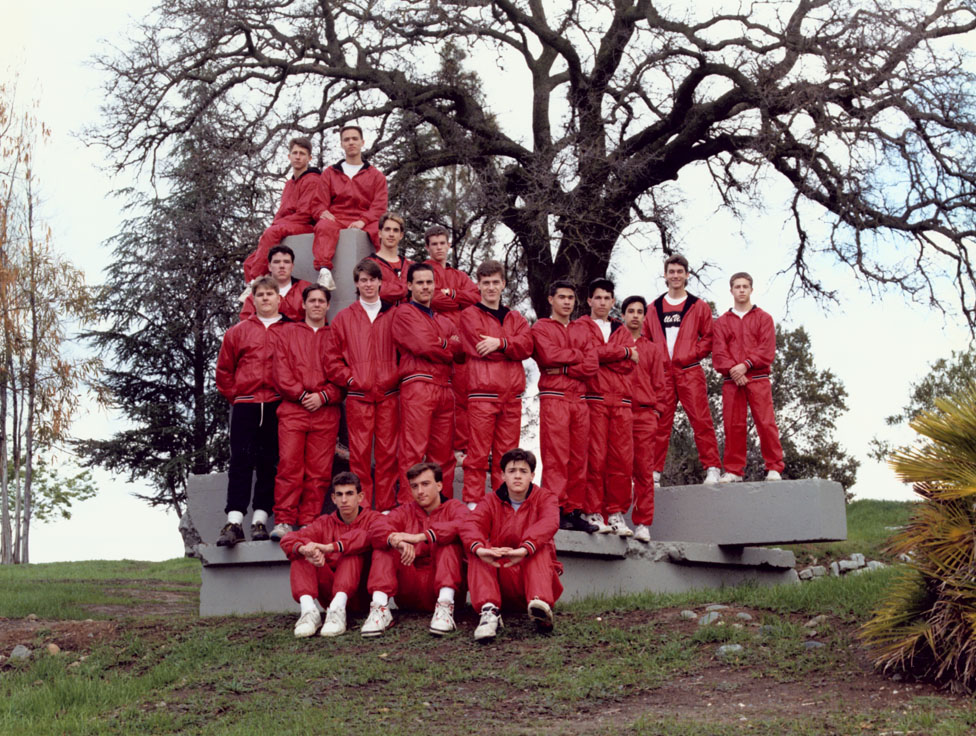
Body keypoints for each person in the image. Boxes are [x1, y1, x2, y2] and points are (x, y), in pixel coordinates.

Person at [280, 472, 401, 638]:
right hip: (330, 593)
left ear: (360, 497)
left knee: (351, 552)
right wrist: (305, 550)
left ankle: (339, 608)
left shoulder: (374, 518)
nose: (344, 500)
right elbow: (288, 538)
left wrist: (331, 547)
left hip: (361, 593)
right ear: (333, 498)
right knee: (302, 551)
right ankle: (309, 612)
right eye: (339, 494)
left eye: (349, 494)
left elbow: (371, 536)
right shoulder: (324, 522)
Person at [214, 276, 288, 546]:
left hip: (277, 404)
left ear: (279, 298)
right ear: (252, 299)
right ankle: (234, 521)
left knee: (270, 463)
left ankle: (260, 520)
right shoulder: (238, 332)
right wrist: (237, 396)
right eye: (260, 295)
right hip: (246, 404)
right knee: (241, 463)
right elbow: (224, 371)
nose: (265, 298)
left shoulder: (290, 330)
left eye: (270, 294)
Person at [460, 449, 563, 642]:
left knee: (539, 546)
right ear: (502, 475)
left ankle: (540, 607)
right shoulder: (490, 500)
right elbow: (471, 525)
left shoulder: (546, 498)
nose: (517, 475)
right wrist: (482, 549)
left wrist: (524, 549)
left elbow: (549, 522)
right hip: (501, 574)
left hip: (533, 576)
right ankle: (489, 611)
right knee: (477, 548)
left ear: (532, 476)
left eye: (523, 471)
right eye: (512, 470)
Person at [269, 284, 345, 540]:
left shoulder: (336, 335)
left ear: (327, 305)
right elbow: (280, 372)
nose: (316, 305)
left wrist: (324, 396)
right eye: (311, 300)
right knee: (290, 466)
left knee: (319, 471)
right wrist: (302, 395)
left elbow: (343, 374)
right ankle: (284, 520)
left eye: (321, 301)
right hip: (293, 410)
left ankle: (309, 522)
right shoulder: (288, 333)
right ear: (303, 305)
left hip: (325, 412)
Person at [459, 260, 533, 509]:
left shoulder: (515, 317)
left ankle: (504, 503)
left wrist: (500, 344)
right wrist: (511, 347)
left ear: (503, 283)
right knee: (478, 453)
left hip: (512, 396)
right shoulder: (470, 314)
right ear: (478, 285)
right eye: (486, 283)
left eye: (495, 282)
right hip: (482, 393)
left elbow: (528, 346)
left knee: (508, 456)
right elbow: (481, 348)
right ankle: (473, 502)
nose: (491, 287)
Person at [327, 259, 400, 511]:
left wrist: (396, 375)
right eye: (363, 280)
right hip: (359, 395)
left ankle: (387, 507)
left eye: (372, 279)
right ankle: (364, 510)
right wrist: (350, 379)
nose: (368, 284)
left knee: (388, 455)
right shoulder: (344, 318)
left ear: (380, 281)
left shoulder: (394, 314)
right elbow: (331, 358)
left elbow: (407, 350)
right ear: (356, 284)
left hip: (389, 393)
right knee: (358, 455)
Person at [644, 254, 722, 485]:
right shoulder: (653, 307)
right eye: (671, 271)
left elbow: (708, 337)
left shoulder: (698, 306)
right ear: (665, 275)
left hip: (689, 371)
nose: (675, 275)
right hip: (663, 374)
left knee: (701, 420)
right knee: (658, 423)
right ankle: (653, 472)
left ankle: (713, 468)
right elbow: (646, 340)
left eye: (680, 271)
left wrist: (689, 355)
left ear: (687, 275)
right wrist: (656, 362)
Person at [531, 280, 598, 533]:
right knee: (557, 456)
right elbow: (547, 356)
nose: (567, 302)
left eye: (571, 297)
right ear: (551, 299)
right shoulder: (541, 327)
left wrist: (564, 365)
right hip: (554, 396)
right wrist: (576, 359)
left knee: (579, 456)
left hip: (579, 399)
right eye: (562, 297)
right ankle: (554, 510)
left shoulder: (582, 330)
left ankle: (574, 510)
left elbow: (591, 365)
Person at [393, 263, 464, 501]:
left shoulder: (443, 319)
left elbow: (459, 349)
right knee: (414, 451)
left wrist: (441, 343)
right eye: (420, 282)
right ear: (410, 285)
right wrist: (445, 344)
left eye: (429, 282)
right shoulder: (404, 313)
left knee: (443, 455)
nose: (425, 287)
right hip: (418, 384)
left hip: (445, 386)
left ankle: (443, 507)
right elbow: (423, 345)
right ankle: (407, 505)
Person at [576, 278, 637, 536]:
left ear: (613, 302)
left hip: (620, 401)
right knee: (595, 458)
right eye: (597, 297)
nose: (602, 302)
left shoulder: (620, 328)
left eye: (607, 298)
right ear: (589, 300)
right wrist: (619, 352)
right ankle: (593, 512)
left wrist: (606, 354)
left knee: (622, 461)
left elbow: (630, 362)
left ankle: (616, 513)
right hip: (594, 399)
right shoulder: (580, 326)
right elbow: (588, 356)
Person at [711, 272, 785, 482]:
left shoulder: (764, 318)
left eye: (745, 286)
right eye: (737, 286)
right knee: (733, 425)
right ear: (731, 290)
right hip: (732, 381)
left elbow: (767, 349)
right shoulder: (722, 322)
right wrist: (735, 371)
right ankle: (734, 470)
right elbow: (718, 353)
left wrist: (746, 365)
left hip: (758, 378)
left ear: (751, 289)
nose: (741, 290)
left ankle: (774, 467)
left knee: (766, 422)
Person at [383, 462, 470, 635]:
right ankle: (379, 607)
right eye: (414, 486)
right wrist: (398, 542)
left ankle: (445, 606)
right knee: (385, 543)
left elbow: (464, 524)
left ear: (439, 485)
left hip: (447, 589)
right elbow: (377, 526)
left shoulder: (455, 507)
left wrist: (421, 536)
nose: (420, 491)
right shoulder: (405, 511)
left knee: (448, 541)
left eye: (425, 484)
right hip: (410, 590)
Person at [423, 225, 480, 456]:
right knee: (438, 398)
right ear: (427, 247)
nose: (438, 248)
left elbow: (476, 297)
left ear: (449, 245)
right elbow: (433, 298)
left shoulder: (459, 275)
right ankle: (439, 447)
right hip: (438, 338)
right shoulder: (426, 270)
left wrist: (453, 294)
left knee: (463, 395)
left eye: (442, 243)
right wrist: (455, 300)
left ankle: (462, 447)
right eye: (433, 244)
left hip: (462, 343)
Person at [312, 125, 388, 290]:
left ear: (362, 142)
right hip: (337, 217)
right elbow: (318, 201)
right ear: (341, 144)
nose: (351, 142)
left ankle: (387, 274)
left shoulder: (376, 175)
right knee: (323, 226)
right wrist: (321, 212)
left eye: (355, 139)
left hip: (366, 219)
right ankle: (324, 272)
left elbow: (380, 205)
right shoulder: (330, 173)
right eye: (346, 139)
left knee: (382, 232)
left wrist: (364, 220)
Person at [241, 137, 320, 288]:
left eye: (302, 153)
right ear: (289, 156)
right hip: (288, 225)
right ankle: (256, 293)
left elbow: (305, 214)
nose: (298, 156)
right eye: (295, 153)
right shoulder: (289, 184)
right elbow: (281, 212)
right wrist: (273, 225)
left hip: (305, 225)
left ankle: (255, 283)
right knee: (249, 262)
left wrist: (276, 226)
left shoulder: (313, 180)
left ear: (309, 158)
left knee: (272, 232)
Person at [621, 295, 668, 543]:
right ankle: (616, 516)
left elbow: (661, 384)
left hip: (645, 415)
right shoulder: (615, 344)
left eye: (640, 311)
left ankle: (642, 523)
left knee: (643, 471)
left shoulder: (652, 349)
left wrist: (656, 411)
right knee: (618, 467)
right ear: (623, 315)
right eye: (631, 311)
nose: (636, 315)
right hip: (619, 412)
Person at [239, 245, 312, 323]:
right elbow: (246, 325)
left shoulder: (306, 288)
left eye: (286, 262)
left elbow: (317, 321)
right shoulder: (258, 293)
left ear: (292, 266)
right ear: (269, 267)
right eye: (277, 262)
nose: (282, 266)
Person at [365, 212, 414, 306]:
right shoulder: (370, 263)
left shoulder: (410, 265)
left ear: (401, 235)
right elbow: (375, 289)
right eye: (387, 229)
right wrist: (406, 289)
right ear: (380, 233)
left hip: (408, 317)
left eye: (395, 230)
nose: (391, 234)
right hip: (382, 317)